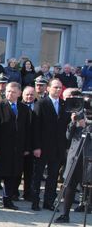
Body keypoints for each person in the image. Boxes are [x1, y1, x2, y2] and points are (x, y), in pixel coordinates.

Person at [0, 82, 32, 210]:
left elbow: (28, 130)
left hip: (16, 149)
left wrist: (26, 148)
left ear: (19, 93)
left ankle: (8, 200)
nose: (9, 94)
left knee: (12, 176)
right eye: (7, 91)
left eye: (12, 92)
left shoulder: (24, 109)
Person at [31, 78, 68, 211]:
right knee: (38, 176)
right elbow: (35, 127)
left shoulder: (64, 105)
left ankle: (48, 202)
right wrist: (36, 146)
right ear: (48, 88)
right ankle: (35, 201)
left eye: (60, 87)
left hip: (58, 148)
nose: (58, 90)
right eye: (55, 87)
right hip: (42, 147)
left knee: (53, 177)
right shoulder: (41, 103)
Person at [56, 108, 92, 223]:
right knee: (70, 186)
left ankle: (87, 206)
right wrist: (73, 122)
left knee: (88, 186)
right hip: (75, 158)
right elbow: (68, 136)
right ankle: (65, 214)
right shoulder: (79, 117)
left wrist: (86, 126)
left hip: (89, 159)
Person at [21, 86, 37, 201]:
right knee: (16, 171)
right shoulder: (18, 106)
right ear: (22, 95)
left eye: (31, 94)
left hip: (32, 144)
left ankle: (27, 193)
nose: (29, 97)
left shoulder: (38, 106)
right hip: (19, 144)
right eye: (27, 94)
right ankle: (13, 193)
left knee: (29, 172)